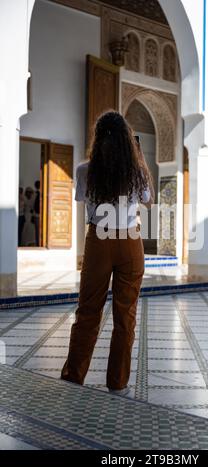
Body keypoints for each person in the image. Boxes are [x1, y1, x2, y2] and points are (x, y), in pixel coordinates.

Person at [61, 111, 154, 396]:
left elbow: (80, 199)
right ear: (128, 141)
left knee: (88, 310)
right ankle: (118, 382)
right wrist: (138, 160)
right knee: (125, 316)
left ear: (98, 138)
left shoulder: (84, 169)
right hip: (130, 243)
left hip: (99, 242)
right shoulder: (137, 172)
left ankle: (73, 375)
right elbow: (148, 201)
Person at [33, 180, 40, 246]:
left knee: (37, 231)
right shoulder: (36, 194)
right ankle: (38, 243)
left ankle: (38, 243)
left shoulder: (35, 194)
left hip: (37, 215)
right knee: (37, 230)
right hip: (37, 215)